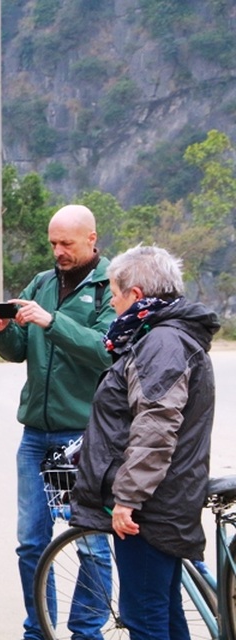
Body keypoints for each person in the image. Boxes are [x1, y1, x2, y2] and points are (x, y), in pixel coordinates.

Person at [71, 245, 219, 640]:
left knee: (145, 619)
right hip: (162, 500)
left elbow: (156, 426)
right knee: (163, 613)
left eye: (116, 295)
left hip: (151, 507)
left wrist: (127, 499)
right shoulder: (164, 336)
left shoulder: (162, 344)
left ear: (135, 295)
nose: (113, 304)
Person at [0, 204, 117, 640]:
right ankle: (38, 629)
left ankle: (86, 632)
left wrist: (52, 321)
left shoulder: (109, 287)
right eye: (53, 243)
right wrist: (1, 329)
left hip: (82, 437)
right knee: (30, 543)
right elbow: (19, 349)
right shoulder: (42, 283)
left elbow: (106, 349)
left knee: (91, 542)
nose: (58, 251)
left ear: (92, 239)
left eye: (67, 243)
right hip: (35, 435)